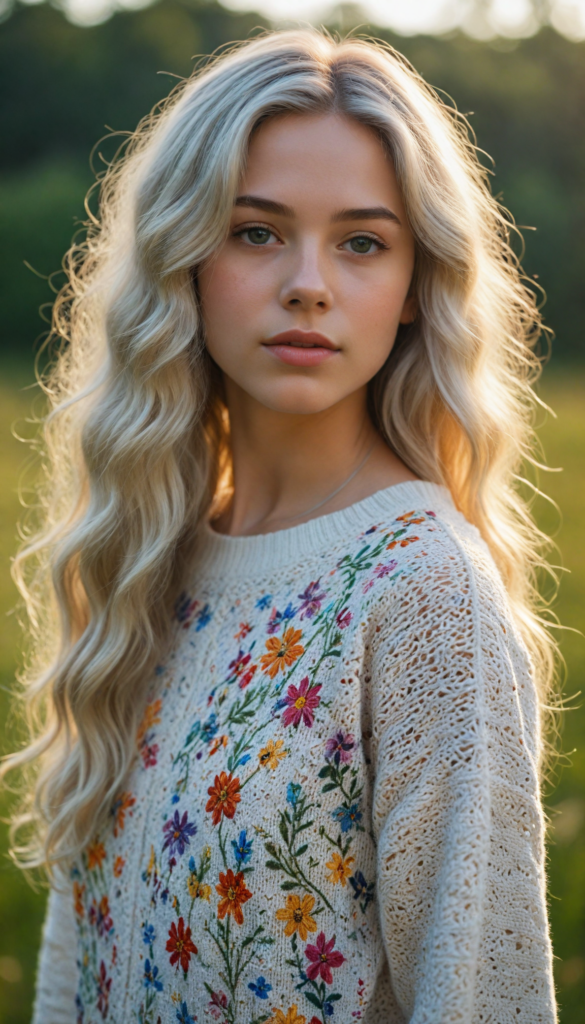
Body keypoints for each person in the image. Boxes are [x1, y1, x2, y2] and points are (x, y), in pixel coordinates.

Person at [5, 28, 557, 1024]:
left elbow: (481, 997)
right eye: (257, 231)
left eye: (362, 241)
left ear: (411, 290)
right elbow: (74, 965)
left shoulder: (423, 592)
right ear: (185, 258)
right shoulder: (148, 558)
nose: (310, 281)